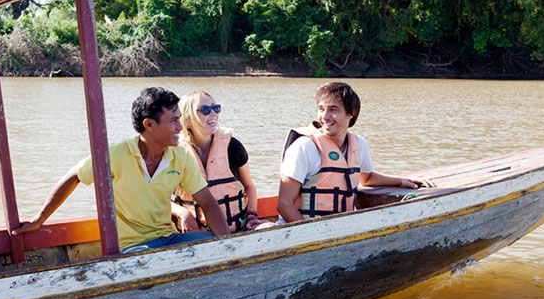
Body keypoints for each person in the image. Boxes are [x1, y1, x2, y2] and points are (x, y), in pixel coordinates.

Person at [14, 87, 229, 253]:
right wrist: (38, 220)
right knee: (149, 260)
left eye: (180, 120)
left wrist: (228, 247)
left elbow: (208, 203)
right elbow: (74, 177)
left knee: (209, 243)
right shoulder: (116, 155)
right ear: (149, 125)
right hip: (134, 246)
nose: (180, 127)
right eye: (173, 121)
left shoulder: (180, 157)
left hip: (169, 238)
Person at [277, 82, 435, 223]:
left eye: (333, 110)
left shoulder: (359, 144)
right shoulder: (305, 147)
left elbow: (366, 178)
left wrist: (401, 180)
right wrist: (311, 237)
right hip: (299, 231)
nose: (324, 117)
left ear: (351, 113)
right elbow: (284, 204)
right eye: (321, 109)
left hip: (337, 228)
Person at [172, 91, 272, 232]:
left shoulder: (233, 146)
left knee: (272, 228)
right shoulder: (176, 153)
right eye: (205, 110)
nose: (213, 114)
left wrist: (251, 215)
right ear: (188, 118)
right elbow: (160, 199)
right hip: (197, 236)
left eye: (216, 108)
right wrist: (183, 213)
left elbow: (249, 186)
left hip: (238, 230)